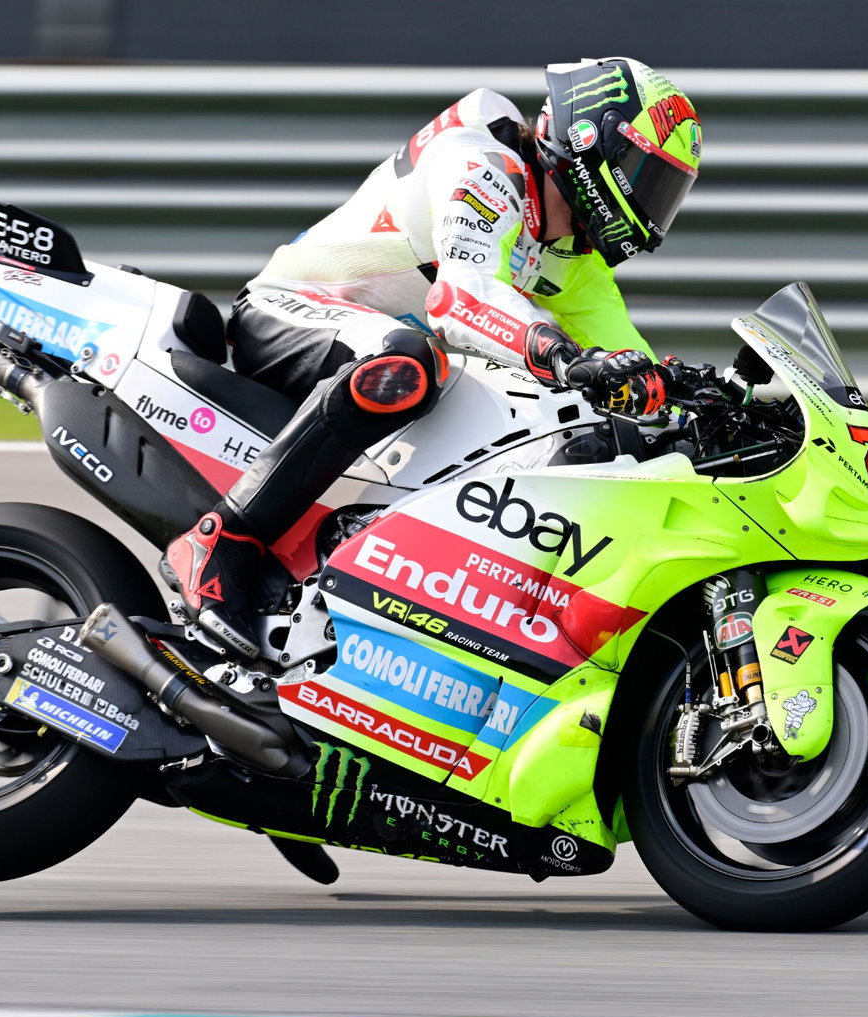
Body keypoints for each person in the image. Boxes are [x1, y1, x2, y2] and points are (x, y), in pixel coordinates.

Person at [164, 57, 703, 659]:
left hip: (380, 355)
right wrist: (562, 354)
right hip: (286, 312)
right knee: (411, 362)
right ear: (589, 142)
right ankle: (219, 543)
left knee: (576, 422)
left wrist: (697, 411)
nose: (656, 204)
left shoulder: (577, 262)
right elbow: (459, 299)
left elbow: (635, 370)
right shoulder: (483, 162)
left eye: (668, 188)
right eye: (646, 175)